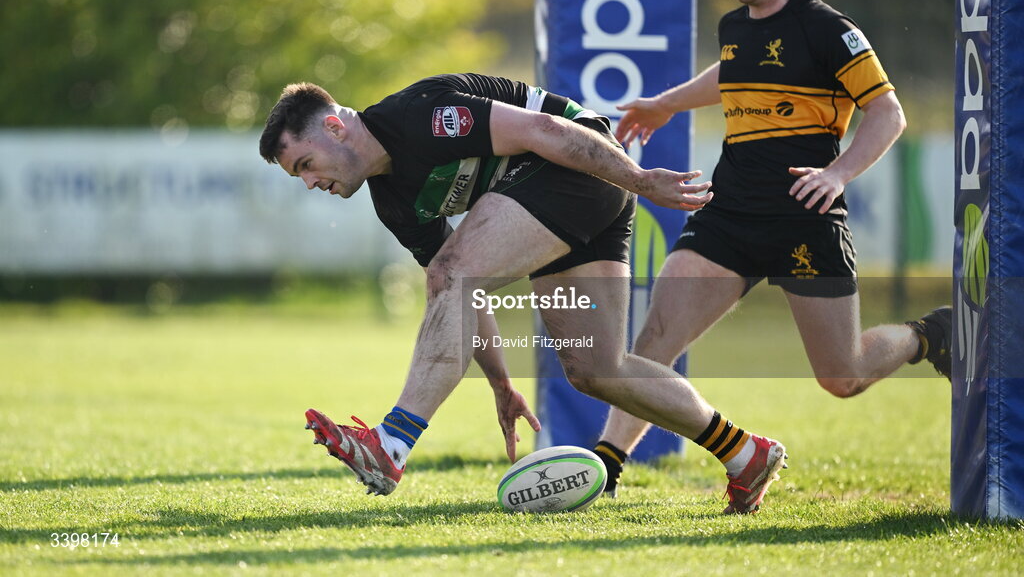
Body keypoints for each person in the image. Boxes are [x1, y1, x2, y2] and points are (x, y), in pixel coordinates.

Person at [259, 72, 787, 514]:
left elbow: (543, 128)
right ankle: (745, 453)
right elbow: (460, 295)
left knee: (451, 270)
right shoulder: (394, 204)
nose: (309, 182)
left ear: (334, 127)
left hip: (581, 165)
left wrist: (640, 181)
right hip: (569, 198)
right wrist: (502, 384)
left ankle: (391, 444)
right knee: (597, 369)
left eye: (305, 164)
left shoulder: (416, 116)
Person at [590, 0, 953, 499]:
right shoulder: (735, 25)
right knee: (655, 341)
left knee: (844, 376)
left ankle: (929, 333)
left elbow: (889, 112)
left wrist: (838, 174)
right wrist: (665, 103)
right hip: (729, 212)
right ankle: (606, 466)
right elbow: (731, 71)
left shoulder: (828, 29)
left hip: (805, 218)